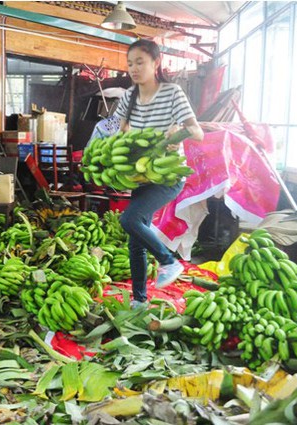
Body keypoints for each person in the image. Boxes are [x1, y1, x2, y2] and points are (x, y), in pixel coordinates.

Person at [114, 39, 204, 308]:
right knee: (135, 240)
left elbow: (197, 132)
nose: (134, 68)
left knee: (129, 219)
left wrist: (179, 134)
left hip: (167, 176)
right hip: (142, 177)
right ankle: (140, 301)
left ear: (156, 63)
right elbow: (121, 135)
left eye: (140, 62)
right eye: (130, 63)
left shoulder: (173, 93)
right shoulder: (128, 98)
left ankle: (168, 261)